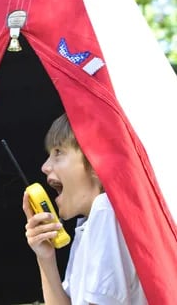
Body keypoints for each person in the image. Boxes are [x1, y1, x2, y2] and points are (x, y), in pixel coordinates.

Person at [23, 113, 147, 305]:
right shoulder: (87, 227)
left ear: (95, 163)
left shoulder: (105, 210)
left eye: (58, 152)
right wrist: (45, 257)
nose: (45, 167)